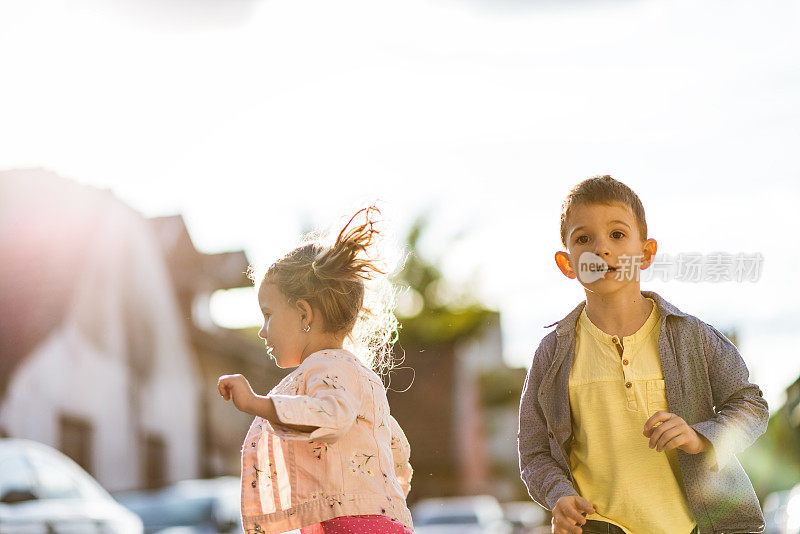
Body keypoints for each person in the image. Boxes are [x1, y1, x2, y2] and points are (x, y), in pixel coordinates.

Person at [517, 176, 768, 534]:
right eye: (583, 238)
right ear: (567, 262)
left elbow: (751, 405)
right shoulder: (553, 352)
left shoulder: (692, 336)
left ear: (646, 254)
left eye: (617, 235)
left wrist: (701, 436)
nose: (601, 249)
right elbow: (534, 450)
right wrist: (558, 495)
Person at [217, 207, 413, 534]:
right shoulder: (358, 375)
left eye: (268, 315)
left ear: (304, 314)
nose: (262, 331)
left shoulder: (328, 367)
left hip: (354, 523)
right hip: (374, 519)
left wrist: (256, 403)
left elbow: (328, 414)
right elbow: (397, 449)